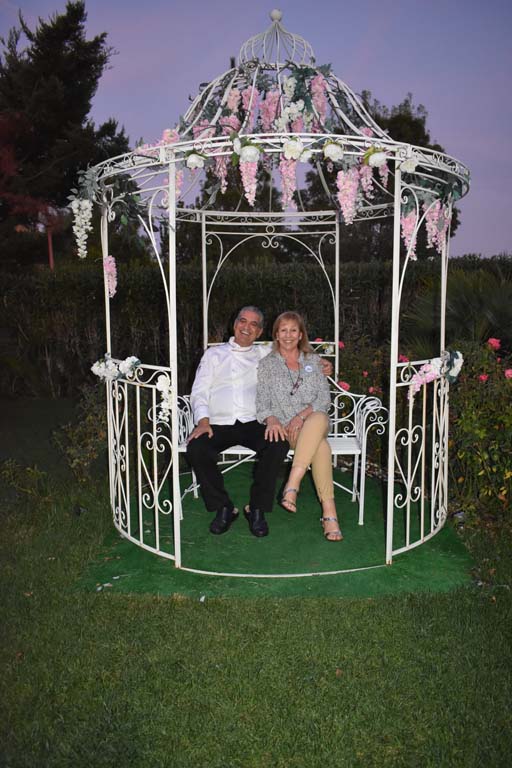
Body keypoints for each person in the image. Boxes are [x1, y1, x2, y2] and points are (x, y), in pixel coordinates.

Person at [186, 306, 289, 538]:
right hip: (217, 422)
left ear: (259, 331)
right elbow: (200, 391)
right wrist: (203, 421)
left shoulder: (265, 353)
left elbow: (295, 352)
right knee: (197, 448)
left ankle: (257, 508)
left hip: (254, 421)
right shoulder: (214, 354)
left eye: (254, 324)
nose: (246, 327)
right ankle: (223, 507)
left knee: (278, 444)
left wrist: (319, 364)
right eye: (243, 321)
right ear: (234, 325)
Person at [256, 311, 343, 541]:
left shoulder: (314, 361)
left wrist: (301, 416)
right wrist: (273, 420)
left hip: (314, 422)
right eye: (283, 330)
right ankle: (329, 514)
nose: (288, 335)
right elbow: (262, 403)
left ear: (301, 334)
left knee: (318, 418)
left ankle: (292, 483)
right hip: (288, 431)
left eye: (293, 330)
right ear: (276, 334)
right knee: (321, 447)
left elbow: (324, 399)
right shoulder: (267, 365)